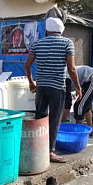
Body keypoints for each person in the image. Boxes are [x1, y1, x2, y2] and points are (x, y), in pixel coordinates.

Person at [25, 17, 82, 163]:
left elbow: (27, 65)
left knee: (40, 117)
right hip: (57, 87)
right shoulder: (67, 43)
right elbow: (72, 68)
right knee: (54, 119)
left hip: (41, 87)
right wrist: (78, 87)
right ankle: (50, 151)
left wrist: (32, 82)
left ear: (47, 30)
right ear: (61, 30)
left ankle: (37, 148)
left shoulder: (37, 43)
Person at [62, 66, 93, 135]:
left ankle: (79, 133)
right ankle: (91, 130)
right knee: (85, 104)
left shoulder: (65, 79)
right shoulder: (60, 79)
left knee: (79, 106)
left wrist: (61, 122)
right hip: (87, 81)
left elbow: (67, 103)